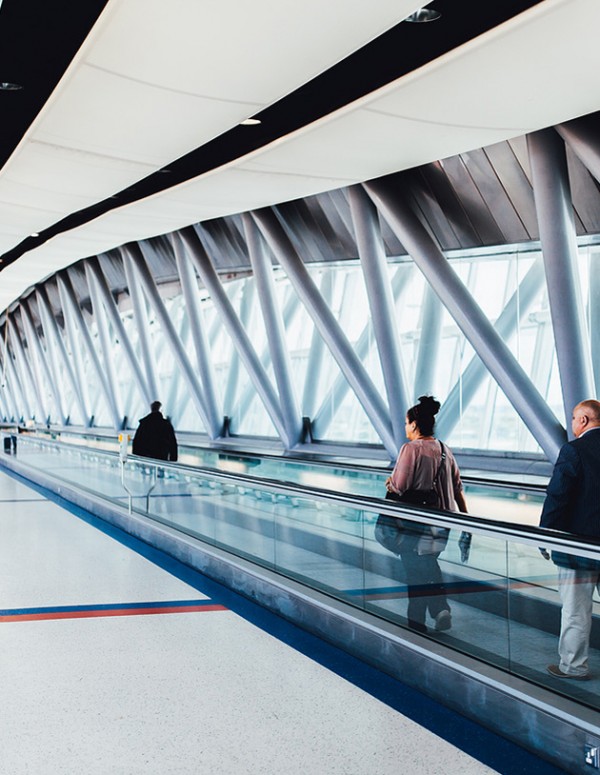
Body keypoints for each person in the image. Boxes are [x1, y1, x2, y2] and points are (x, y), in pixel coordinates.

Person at [385, 395, 469, 634]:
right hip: (442, 522)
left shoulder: (411, 449)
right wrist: (466, 519)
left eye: (406, 423)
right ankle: (440, 609)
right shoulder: (444, 450)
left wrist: (389, 482)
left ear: (414, 424)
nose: (405, 427)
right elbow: (457, 488)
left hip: (415, 523)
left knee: (415, 571)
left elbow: (399, 486)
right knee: (429, 564)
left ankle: (417, 623)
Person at [540, 399, 600, 681]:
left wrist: (545, 533)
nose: (572, 423)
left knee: (576, 609)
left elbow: (558, 496)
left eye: (575, 418)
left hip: (579, 546)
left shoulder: (574, 450)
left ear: (585, 420)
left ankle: (574, 666)